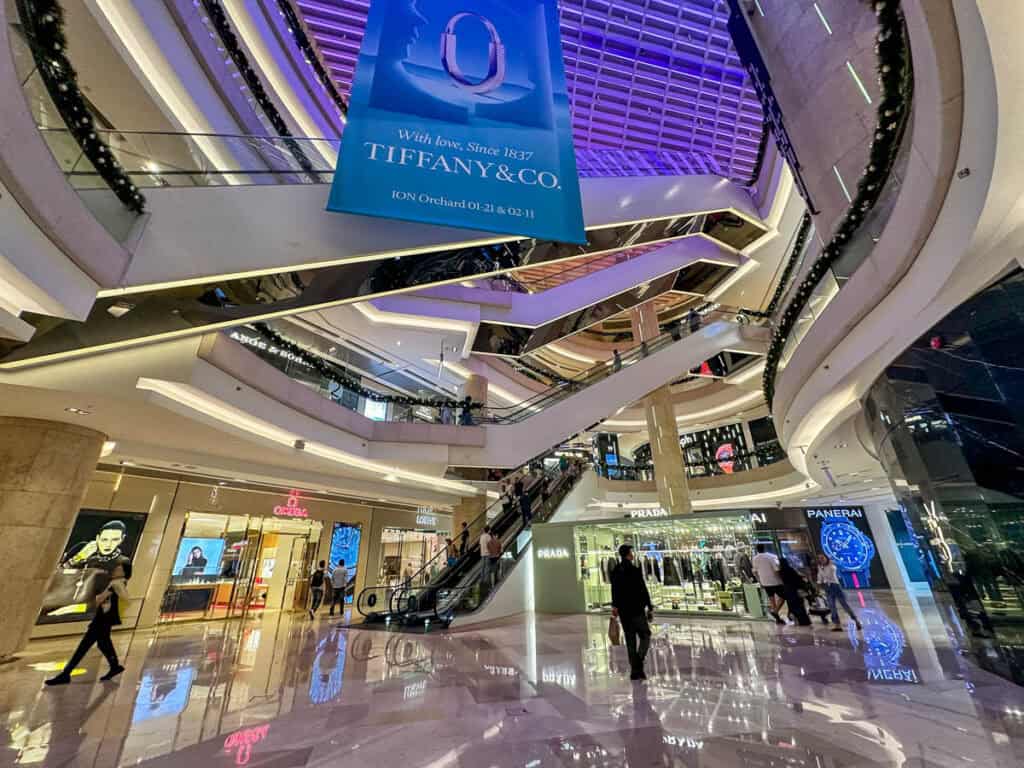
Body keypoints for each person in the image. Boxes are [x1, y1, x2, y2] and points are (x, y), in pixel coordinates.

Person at [46, 563, 131, 685]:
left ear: (124, 572)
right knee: (103, 643)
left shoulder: (116, 583)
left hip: (102, 619)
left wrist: (103, 597)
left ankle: (66, 673)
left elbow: (106, 599)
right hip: (104, 619)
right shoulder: (119, 583)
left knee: (84, 646)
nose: (115, 570)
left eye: (119, 569)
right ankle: (115, 666)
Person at [610, 544, 653, 681]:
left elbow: (614, 590)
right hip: (636, 609)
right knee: (645, 635)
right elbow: (642, 588)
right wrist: (649, 605)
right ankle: (638, 663)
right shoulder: (634, 570)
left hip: (624, 611)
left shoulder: (616, 570)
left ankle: (635, 670)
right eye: (631, 552)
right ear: (628, 554)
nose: (633, 554)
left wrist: (615, 606)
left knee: (630, 640)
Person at [817, 554, 863, 632]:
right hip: (827, 588)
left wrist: (822, 579)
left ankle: (856, 620)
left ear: (826, 558)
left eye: (822, 558)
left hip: (835, 586)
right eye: (819, 558)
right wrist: (819, 583)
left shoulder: (831, 566)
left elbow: (829, 575)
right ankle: (837, 625)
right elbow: (820, 576)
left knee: (844, 605)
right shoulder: (820, 567)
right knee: (832, 607)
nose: (821, 559)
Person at [752, 544, 786, 625]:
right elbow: (776, 569)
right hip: (775, 581)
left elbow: (755, 572)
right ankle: (775, 612)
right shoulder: (771, 556)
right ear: (764, 548)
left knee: (772, 599)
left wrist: (759, 581)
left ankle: (777, 618)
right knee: (783, 597)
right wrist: (782, 579)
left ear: (757, 550)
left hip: (765, 582)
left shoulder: (755, 558)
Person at [778, 557, 812, 627]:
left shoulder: (781, 571)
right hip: (795, 589)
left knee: (793, 606)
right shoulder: (790, 569)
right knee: (800, 606)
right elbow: (797, 578)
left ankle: (795, 619)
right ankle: (804, 621)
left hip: (788, 590)